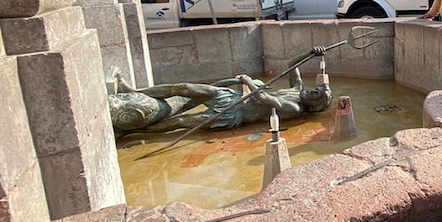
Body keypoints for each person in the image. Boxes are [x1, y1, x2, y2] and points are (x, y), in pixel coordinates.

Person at [108, 68, 333, 134]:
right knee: (183, 88)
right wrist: (311, 53)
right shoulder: (298, 90)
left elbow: (264, 97)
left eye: (314, 94)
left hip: (233, 114)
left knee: (181, 123)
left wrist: (248, 80)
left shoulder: (293, 108)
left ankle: (131, 131)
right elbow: (292, 67)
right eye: (314, 89)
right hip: (232, 97)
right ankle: (135, 90)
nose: (310, 91)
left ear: (314, 105)